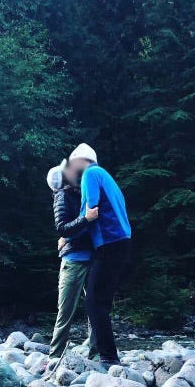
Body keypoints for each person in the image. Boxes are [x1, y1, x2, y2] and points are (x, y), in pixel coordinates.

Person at [67, 143, 131, 367]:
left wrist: (68, 235)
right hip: (121, 242)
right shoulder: (106, 176)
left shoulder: (91, 174)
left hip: (109, 244)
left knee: (94, 301)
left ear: (79, 161)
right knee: (101, 300)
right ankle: (108, 355)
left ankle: (108, 357)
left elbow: (90, 211)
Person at [46, 159, 99, 358]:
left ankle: (96, 354)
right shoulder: (61, 196)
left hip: (91, 257)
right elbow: (62, 227)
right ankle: (54, 356)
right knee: (66, 310)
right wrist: (85, 218)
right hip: (73, 259)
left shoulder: (79, 193)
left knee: (95, 307)